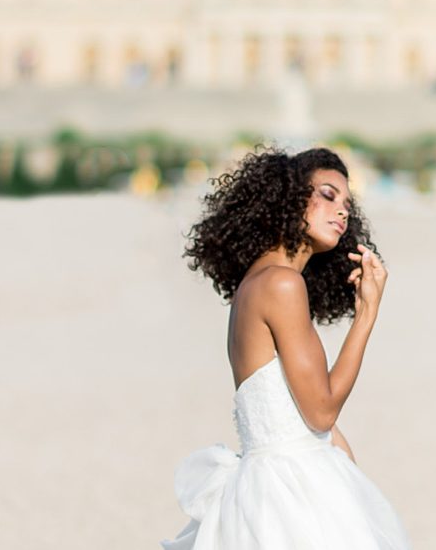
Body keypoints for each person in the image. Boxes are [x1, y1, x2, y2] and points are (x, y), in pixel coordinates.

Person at [161, 147, 411, 549]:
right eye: (328, 195)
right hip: (290, 493)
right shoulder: (281, 284)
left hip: (271, 487)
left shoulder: (257, 282)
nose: (342, 212)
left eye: (347, 204)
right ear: (289, 198)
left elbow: (298, 412)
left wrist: (351, 488)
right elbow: (321, 410)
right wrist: (367, 313)